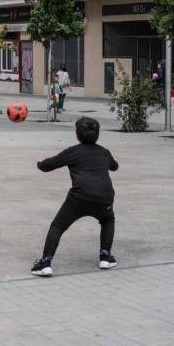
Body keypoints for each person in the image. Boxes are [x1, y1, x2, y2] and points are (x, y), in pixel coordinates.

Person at [31, 117, 119, 277]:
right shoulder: (103, 152)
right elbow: (115, 166)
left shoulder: (73, 152)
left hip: (80, 198)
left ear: (77, 135)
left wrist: (40, 162)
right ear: (97, 135)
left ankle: (45, 263)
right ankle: (105, 257)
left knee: (58, 226)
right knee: (107, 220)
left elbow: (47, 166)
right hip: (105, 196)